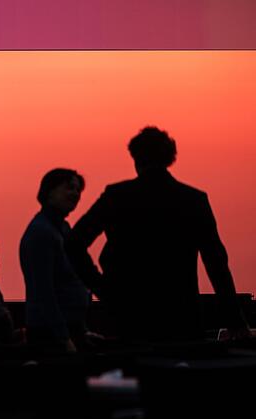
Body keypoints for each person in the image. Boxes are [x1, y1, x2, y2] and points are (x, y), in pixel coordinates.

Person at [65, 126, 249, 341]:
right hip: (181, 319)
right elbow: (216, 263)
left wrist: (105, 291)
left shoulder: (116, 196)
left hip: (127, 318)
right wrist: (235, 320)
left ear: (135, 158)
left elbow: (73, 243)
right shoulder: (194, 200)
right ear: (170, 158)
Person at [20, 169, 92, 351]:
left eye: (78, 190)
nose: (75, 194)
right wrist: (63, 337)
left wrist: (82, 330)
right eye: (69, 188)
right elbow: (44, 290)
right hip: (50, 334)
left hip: (69, 329)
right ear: (49, 191)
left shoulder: (63, 228)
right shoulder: (41, 233)